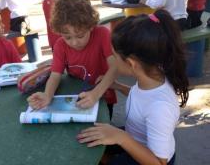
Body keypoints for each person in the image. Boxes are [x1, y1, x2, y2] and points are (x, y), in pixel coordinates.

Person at [77, 9, 189, 165]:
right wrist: (116, 85)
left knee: (98, 149)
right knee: (92, 139)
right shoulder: (152, 77)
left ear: (131, 64)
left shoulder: (160, 108)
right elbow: (141, 99)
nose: (112, 62)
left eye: (115, 57)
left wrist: (120, 137)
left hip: (149, 157)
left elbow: (159, 163)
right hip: (135, 136)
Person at [27, 0, 117, 119]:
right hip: (76, 96)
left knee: (104, 122)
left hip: (103, 94)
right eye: (67, 37)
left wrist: (96, 93)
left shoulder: (102, 34)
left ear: (91, 26)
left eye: (80, 35)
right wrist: (47, 95)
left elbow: (115, 67)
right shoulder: (60, 45)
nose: (74, 42)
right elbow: (55, 74)